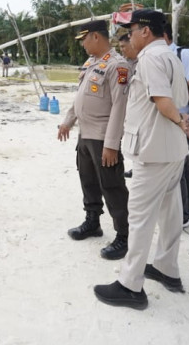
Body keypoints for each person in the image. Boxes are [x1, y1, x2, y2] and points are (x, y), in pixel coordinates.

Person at [94, 9, 189, 310]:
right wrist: (183, 124)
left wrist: (181, 121)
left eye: (132, 30)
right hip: (171, 149)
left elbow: (161, 100)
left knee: (139, 217)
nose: (129, 36)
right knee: (169, 211)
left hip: (152, 149)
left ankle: (130, 285)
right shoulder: (169, 55)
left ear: (146, 31)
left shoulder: (151, 58)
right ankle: (167, 269)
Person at [57, 19, 130, 261]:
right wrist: (68, 121)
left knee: (112, 186)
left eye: (84, 39)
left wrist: (111, 144)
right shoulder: (92, 63)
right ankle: (92, 222)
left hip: (102, 137)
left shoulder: (117, 65)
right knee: (87, 181)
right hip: (85, 135)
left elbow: (119, 107)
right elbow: (80, 98)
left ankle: (123, 236)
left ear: (96, 37)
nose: (82, 45)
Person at [163, 22, 189, 228]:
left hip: (184, 120)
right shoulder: (163, 56)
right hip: (174, 120)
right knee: (183, 165)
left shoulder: (184, 55)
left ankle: (183, 215)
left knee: (176, 168)